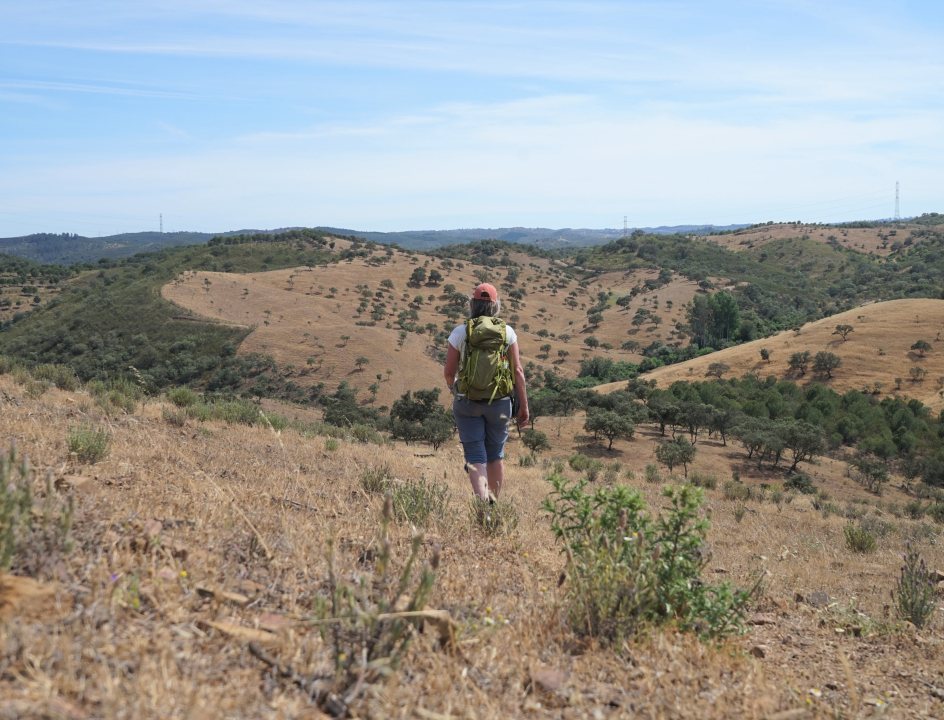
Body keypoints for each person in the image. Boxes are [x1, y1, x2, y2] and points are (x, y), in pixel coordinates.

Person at [443, 282, 529, 501]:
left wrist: (456, 389)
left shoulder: (460, 332)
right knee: (495, 455)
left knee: (475, 455)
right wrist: (524, 406)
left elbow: (448, 372)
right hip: (500, 403)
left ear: (472, 305)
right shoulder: (507, 333)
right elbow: (517, 371)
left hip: (467, 402)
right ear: (496, 305)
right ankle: (494, 503)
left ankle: (483, 505)